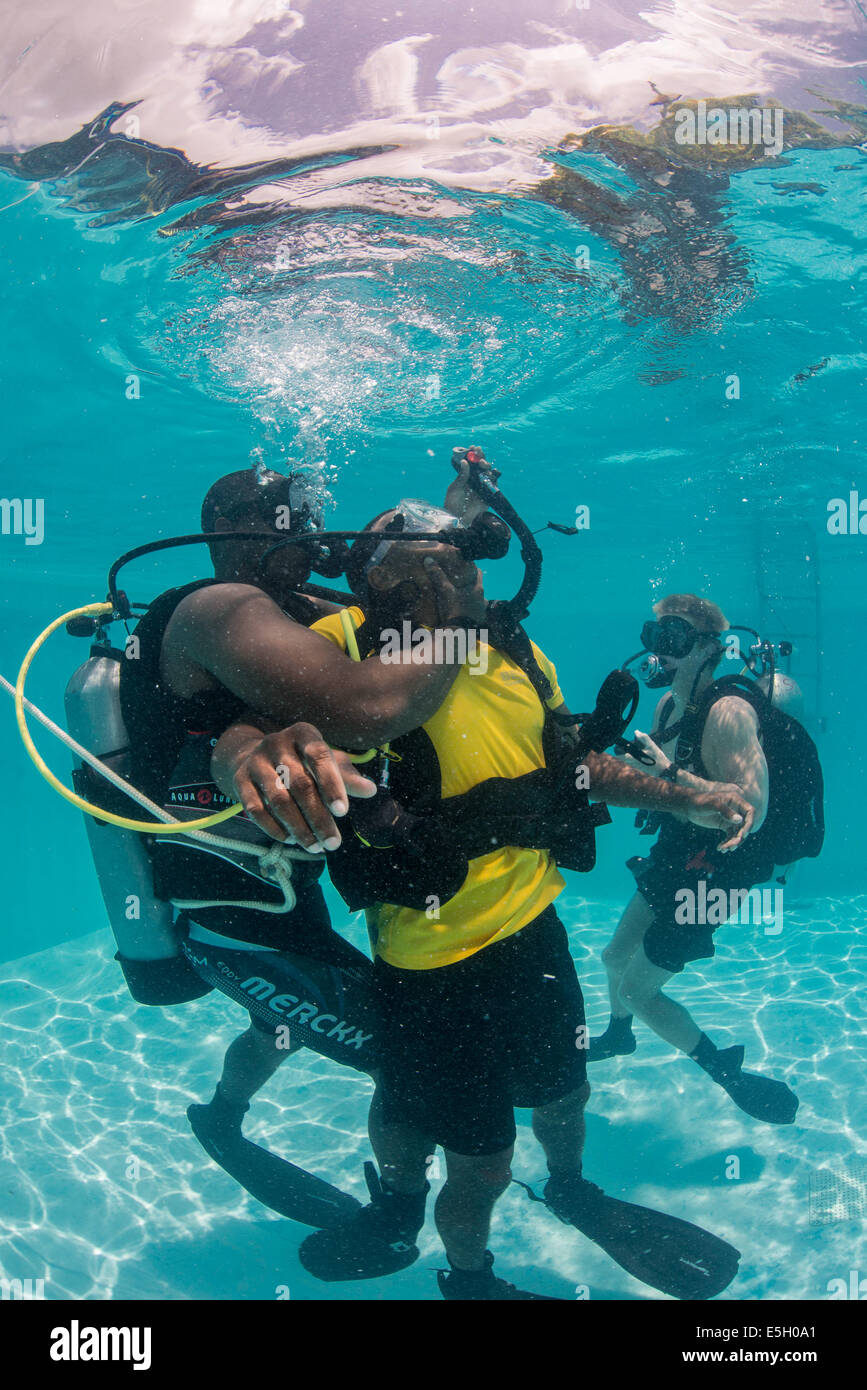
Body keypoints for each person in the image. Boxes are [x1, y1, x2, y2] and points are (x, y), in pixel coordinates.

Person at [217, 506, 755, 1299]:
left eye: (461, 556)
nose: (457, 571)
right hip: (427, 961)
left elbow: (573, 763)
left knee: (567, 1094)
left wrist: (688, 796)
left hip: (534, 930)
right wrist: (247, 757)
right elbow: (254, 725)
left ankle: (571, 1187)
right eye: (425, 556)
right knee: (475, 1157)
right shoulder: (344, 647)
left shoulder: (509, 645)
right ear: (372, 572)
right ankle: (459, 1266)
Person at [116, 465, 484, 1212]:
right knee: (407, 1056)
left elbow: (388, 617)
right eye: (292, 513)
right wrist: (463, 621)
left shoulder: (286, 609)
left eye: (311, 512)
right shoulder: (221, 606)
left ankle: (220, 1118)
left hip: (280, 894)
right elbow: (366, 705)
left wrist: (446, 536)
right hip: (233, 923)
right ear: (232, 529)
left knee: (274, 1023)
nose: (312, 529)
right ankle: (397, 1215)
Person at [589, 593, 800, 1125]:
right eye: (653, 636)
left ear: (709, 649)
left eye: (674, 638)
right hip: (678, 848)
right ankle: (618, 1037)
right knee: (616, 957)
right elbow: (652, 776)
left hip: (721, 870)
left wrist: (671, 777)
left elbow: (751, 810)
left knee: (638, 990)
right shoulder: (666, 707)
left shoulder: (729, 712)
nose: (659, 651)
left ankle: (727, 1073)